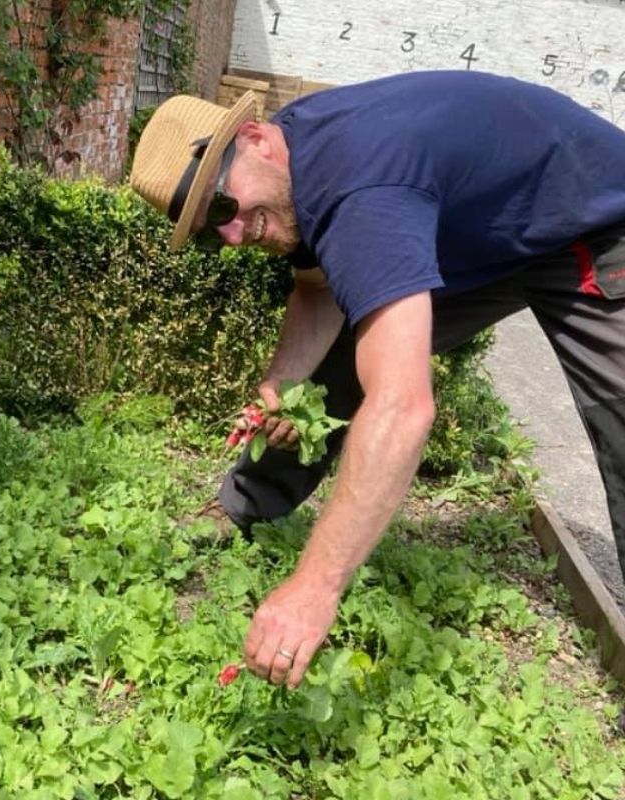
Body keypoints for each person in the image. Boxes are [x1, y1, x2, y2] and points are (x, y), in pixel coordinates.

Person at [129, 70, 625, 690]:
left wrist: (316, 585)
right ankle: (243, 510)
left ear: (254, 137)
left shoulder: (359, 188)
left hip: (593, 218)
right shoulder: (291, 167)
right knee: (342, 359)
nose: (231, 232)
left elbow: (404, 406)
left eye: (223, 205)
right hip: (487, 231)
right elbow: (318, 290)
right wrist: (280, 385)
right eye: (210, 231)